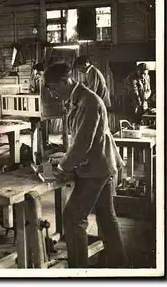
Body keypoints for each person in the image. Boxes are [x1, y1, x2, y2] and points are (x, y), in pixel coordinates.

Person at [44, 63, 127, 268]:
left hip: (96, 167)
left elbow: (83, 143)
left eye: (55, 88)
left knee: (73, 218)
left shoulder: (88, 101)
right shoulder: (78, 98)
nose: (54, 94)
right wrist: (66, 157)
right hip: (101, 163)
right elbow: (80, 138)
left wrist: (62, 168)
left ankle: (79, 271)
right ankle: (120, 266)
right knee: (106, 218)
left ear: (66, 81)